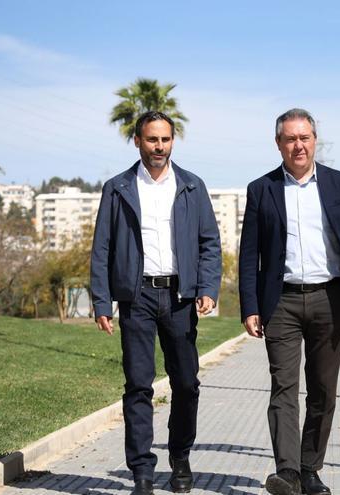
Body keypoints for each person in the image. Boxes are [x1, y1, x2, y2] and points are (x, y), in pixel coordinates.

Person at [90, 111, 221, 495]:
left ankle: (179, 456)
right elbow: (102, 248)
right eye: (151, 140)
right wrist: (101, 300)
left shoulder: (192, 187)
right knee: (138, 385)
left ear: (173, 141)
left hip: (180, 297)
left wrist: (207, 287)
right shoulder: (117, 188)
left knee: (186, 383)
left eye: (164, 140)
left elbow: (209, 244)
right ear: (137, 141)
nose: (158, 147)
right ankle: (142, 472)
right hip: (137, 297)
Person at [238, 108, 340, 495]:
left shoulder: (338, 184)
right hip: (282, 302)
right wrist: (250, 306)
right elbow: (250, 254)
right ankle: (289, 472)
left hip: (331, 298)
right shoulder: (261, 189)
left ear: (315, 140)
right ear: (278, 144)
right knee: (284, 387)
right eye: (290, 138)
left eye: (305, 137)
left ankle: (311, 469)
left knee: (324, 388)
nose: (299, 145)